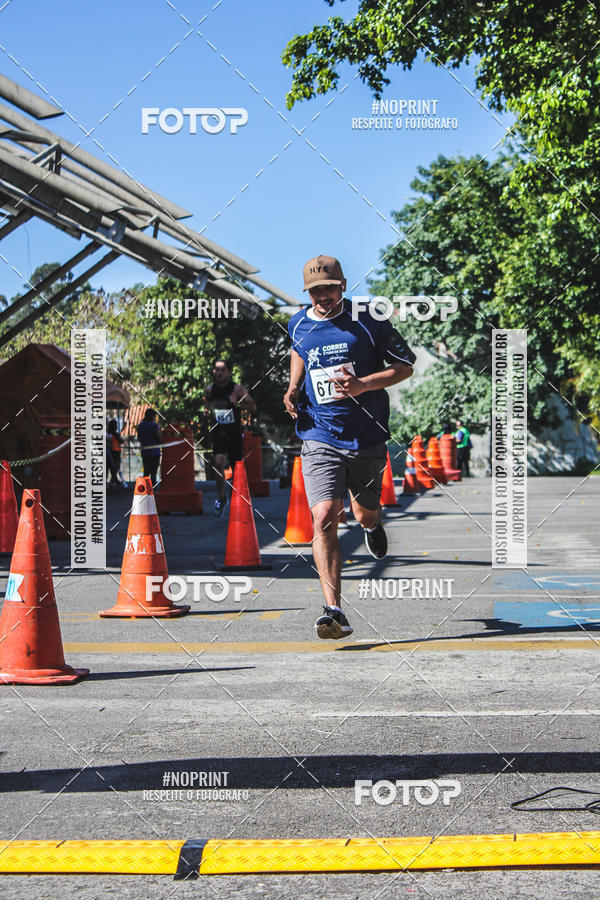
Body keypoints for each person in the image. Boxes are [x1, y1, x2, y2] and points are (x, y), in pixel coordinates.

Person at [284, 254, 416, 640]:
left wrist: (363, 385)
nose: (322, 296)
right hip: (318, 434)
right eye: (315, 291)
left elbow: (405, 365)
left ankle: (374, 526)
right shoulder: (299, 322)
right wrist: (293, 387)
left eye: (329, 288)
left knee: (364, 515)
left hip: (366, 437)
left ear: (342, 286)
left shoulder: (369, 320)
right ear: (307, 293)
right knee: (324, 515)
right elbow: (298, 352)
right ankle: (334, 610)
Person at [204, 358, 257, 517]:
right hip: (218, 432)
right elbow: (207, 407)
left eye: (222, 369)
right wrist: (206, 413)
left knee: (237, 467)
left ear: (228, 372)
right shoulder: (209, 390)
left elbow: (253, 406)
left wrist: (239, 403)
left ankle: (238, 497)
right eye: (216, 369)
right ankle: (221, 498)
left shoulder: (237, 389)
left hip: (233, 433)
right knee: (218, 462)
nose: (219, 372)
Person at [137, 408, 161, 488]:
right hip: (155, 452)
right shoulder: (155, 425)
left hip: (145, 451)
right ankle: (152, 488)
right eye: (155, 416)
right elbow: (160, 438)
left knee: (146, 471)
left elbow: (139, 439)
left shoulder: (140, 425)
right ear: (152, 416)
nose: (155, 418)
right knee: (154, 471)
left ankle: (145, 488)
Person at [106, 419, 124, 485]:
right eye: (116, 425)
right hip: (115, 452)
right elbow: (121, 441)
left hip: (114, 451)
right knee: (115, 467)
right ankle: (114, 480)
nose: (116, 427)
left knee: (112, 468)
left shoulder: (110, 434)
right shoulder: (113, 434)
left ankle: (113, 480)